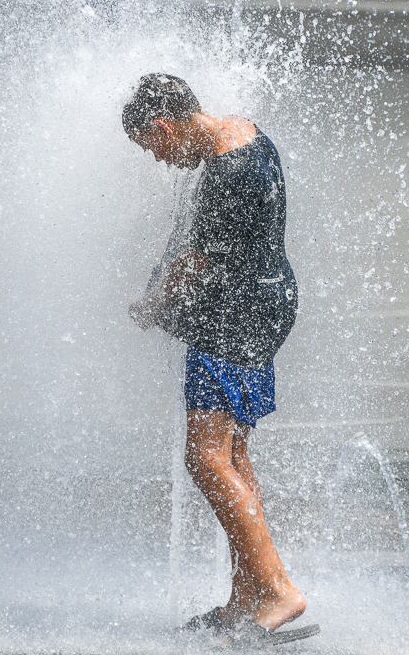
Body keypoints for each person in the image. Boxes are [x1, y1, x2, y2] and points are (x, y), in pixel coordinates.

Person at [123, 74, 313, 643]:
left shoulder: (226, 173)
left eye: (155, 148)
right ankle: (247, 593)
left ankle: (278, 589)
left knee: (204, 459)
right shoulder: (246, 134)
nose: (161, 161)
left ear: (164, 125)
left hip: (233, 320)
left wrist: (152, 305)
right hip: (265, 305)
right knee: (231, 455)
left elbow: (197, 261)